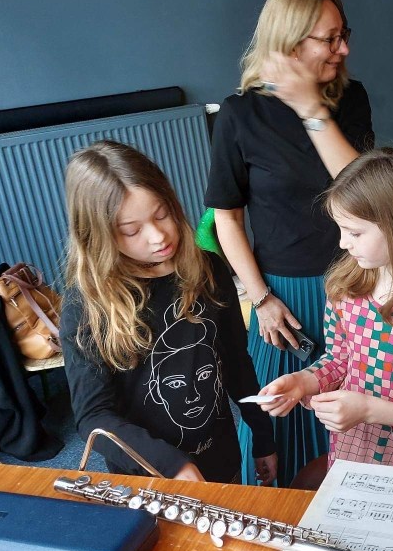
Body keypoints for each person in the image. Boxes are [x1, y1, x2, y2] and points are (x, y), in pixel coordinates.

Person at [205, 0, 374, 486]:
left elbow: (364, 195)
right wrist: (261, 298)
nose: (343, 49)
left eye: (344, 34)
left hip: (356, 281)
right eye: (330, 38)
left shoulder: (351, 100)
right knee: (277, 421)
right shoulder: (240, 114)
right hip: (283, 297)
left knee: (357, 416)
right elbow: (227, 219)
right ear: (291, 42)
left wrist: (312, 110)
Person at [60, 140, 277, 483]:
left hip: (221, 456)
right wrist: (171, 464)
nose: (158, 236)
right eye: (131, 230)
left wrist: (263, 436)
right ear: (99, 236)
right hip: (146, 475)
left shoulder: (209, 269)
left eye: (161, 214)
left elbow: (236, 362)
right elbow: (94, 416)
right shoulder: (85, 304)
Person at [259, 148, 393, 472]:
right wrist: (304, 381)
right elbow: (340, 360)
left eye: (355, 232)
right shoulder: (344, 288)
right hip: (352, 453)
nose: (342, 243)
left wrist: (369, 410)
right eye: (341, 229)